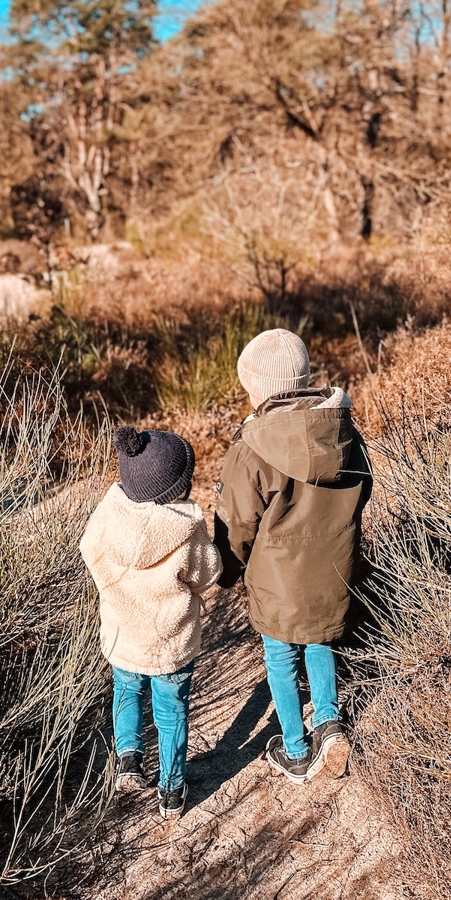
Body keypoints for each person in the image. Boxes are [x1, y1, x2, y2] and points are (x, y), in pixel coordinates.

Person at [213, 328, 372, 784]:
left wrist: (228, 570)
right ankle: (329, 721)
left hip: (276, 579)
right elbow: (365, 490)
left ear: (256, 390)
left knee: (281, 657)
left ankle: (297, 750)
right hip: (335, 565)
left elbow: (238, 523)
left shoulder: (250, 449)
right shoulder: (343, 433)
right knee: (321, 639)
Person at [80, 424, 221, 819]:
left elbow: (88, 549)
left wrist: (113, 586)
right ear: (177, 488)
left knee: (126, 691)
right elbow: (207, 574)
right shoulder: (187, 530)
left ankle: (128, 757)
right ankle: (172, 791)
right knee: (171, 710)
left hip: (124, 635)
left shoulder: (107, 515)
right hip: (170, 643)